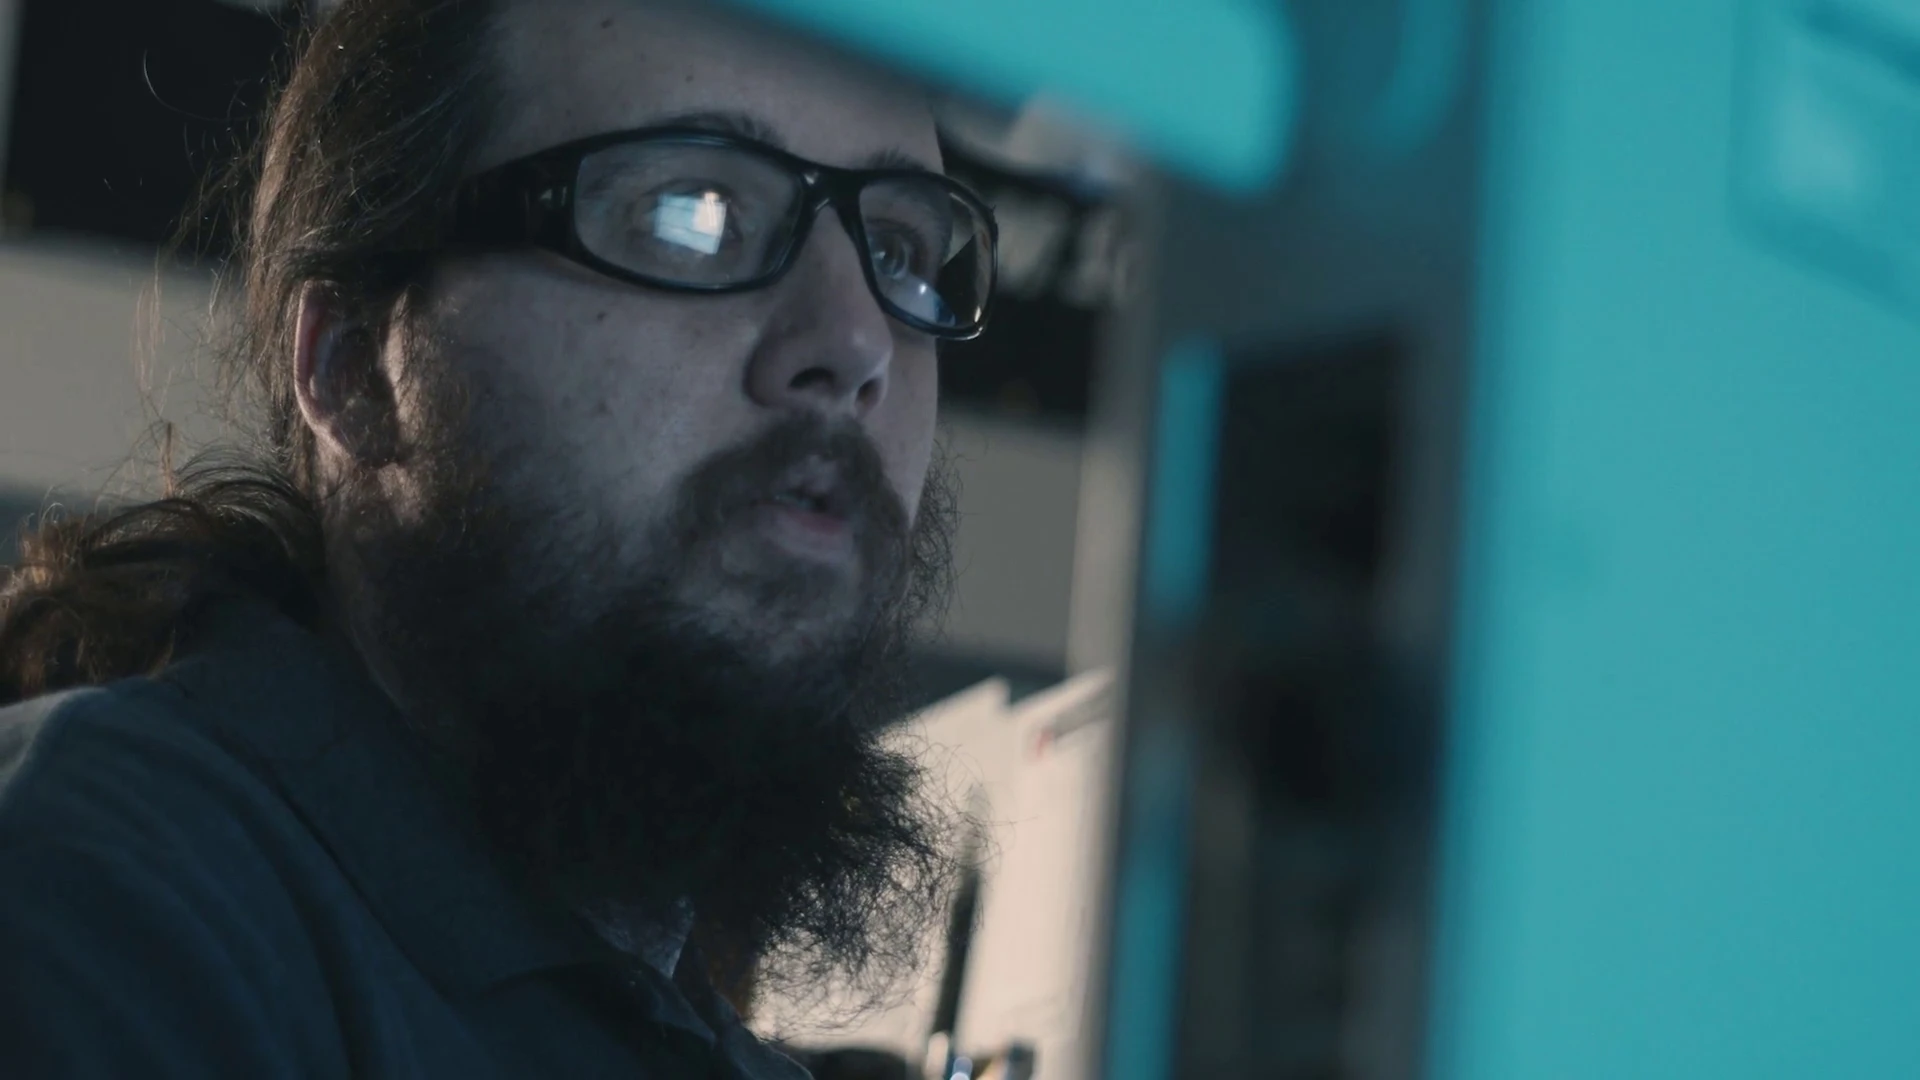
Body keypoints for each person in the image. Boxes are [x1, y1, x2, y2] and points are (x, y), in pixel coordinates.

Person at [0, 0, 996, 1074]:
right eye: (691, 214)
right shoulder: (112, 877)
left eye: (898, 252)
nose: (856, 343)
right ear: (354, 370)